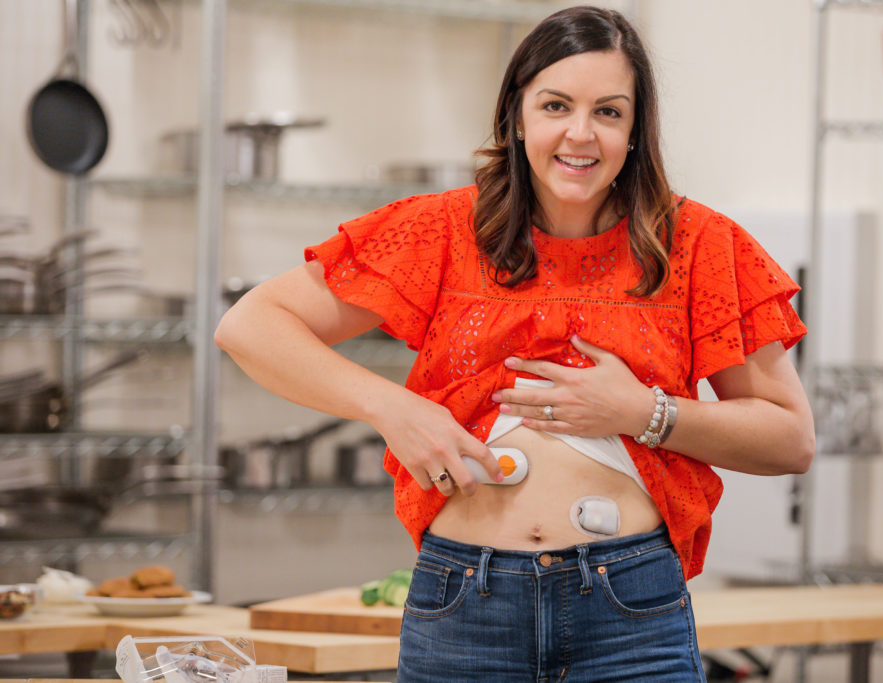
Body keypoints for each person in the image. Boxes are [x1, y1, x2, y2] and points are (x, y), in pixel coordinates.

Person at [215, 5, 814, 681]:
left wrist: (646, 413)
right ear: (518, 115)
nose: (580, 134)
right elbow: (250, 326)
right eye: (556, 105)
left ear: (636, 131)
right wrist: (394, 409)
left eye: (609, 112)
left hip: (630, 609)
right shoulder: (440, 231)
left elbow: (790, 439)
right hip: (466, 603)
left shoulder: (702, 245)